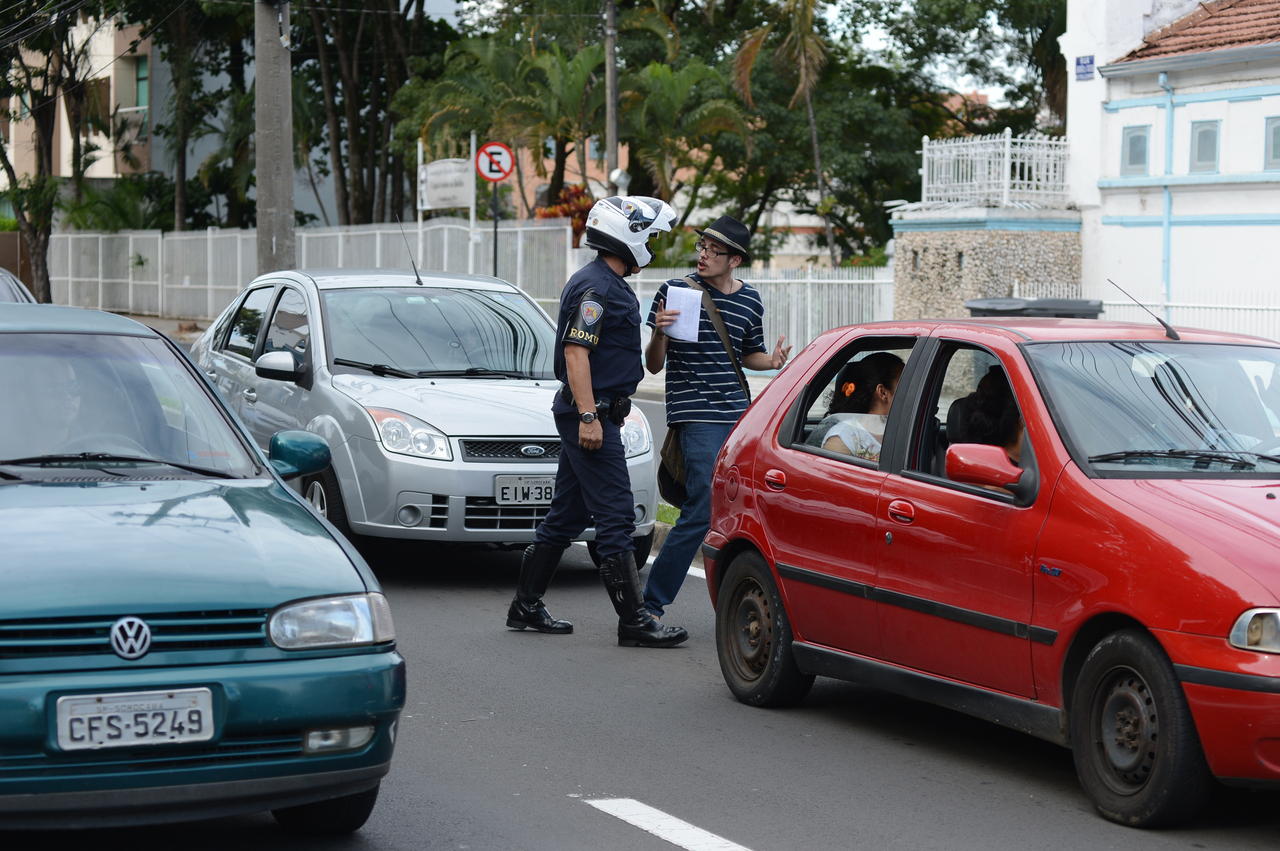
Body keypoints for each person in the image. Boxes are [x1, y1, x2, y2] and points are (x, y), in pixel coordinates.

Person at [505, 196, 689, 649]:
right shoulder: (597, 288)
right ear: (628, 234)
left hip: (594, 412)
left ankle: (525, 605)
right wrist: (589, 416)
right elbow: (575, 352)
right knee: (615, 516)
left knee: (566, 515)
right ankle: (635, 620)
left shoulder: (607, 282)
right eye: (651, 235)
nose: (654, 244)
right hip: (591, 415)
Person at [642, 215, 791, 621]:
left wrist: (773, 362)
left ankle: (749, 606)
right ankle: (650, 606)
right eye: (702, 246)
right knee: (701, 509)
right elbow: (653, 366)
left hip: (739, 415)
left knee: (748, 509)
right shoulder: (675, 291)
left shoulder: (750, 300)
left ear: (735, 260)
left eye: (714, 250)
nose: (703, 254)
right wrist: (659, 333)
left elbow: (749, 354)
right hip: (696, 414)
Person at [806, 352, 904, 462]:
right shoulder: (844, 437)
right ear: (883, 393)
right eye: (904, 384)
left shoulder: (905, 427)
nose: (911, 391)